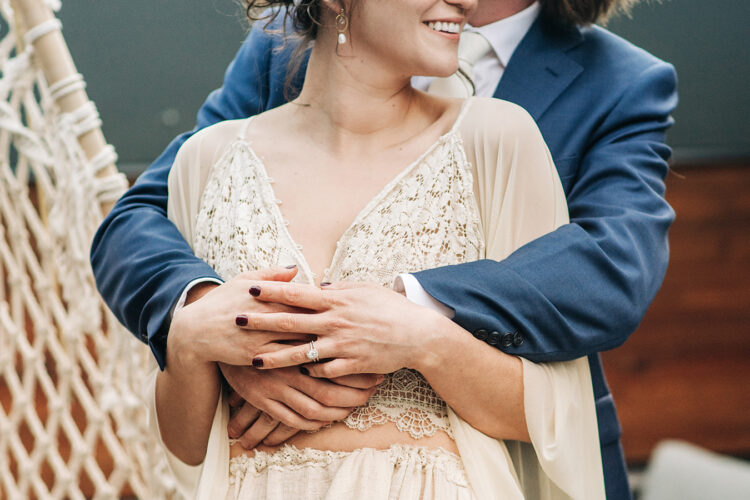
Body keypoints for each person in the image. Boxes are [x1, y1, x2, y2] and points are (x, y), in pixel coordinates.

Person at [90, 0, 678, 498]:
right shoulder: (280, 52)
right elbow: (142, 218)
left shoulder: (600, 91)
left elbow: (611, 269)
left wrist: (404, 313)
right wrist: (219, 327)